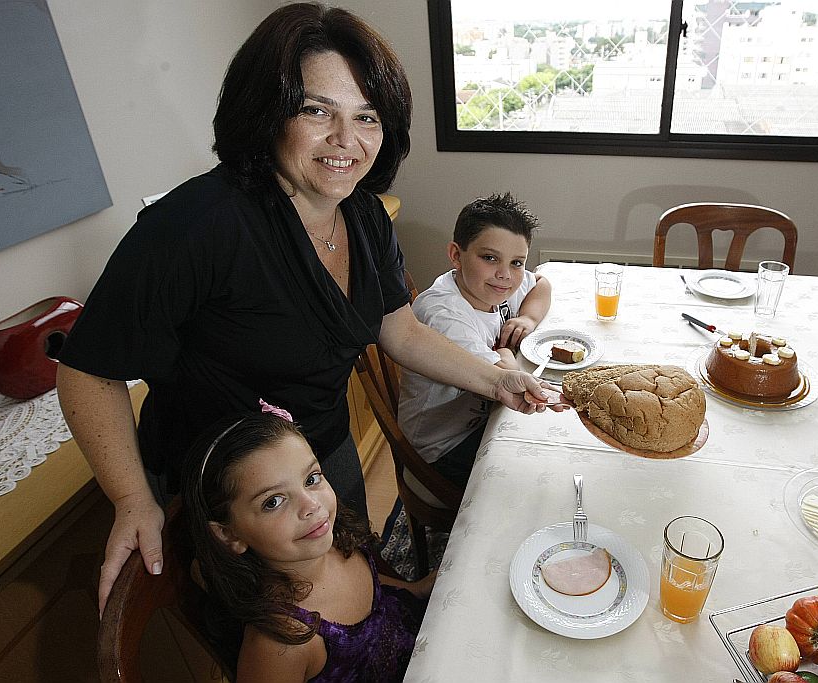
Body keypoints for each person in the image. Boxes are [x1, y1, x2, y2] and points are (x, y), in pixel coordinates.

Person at [55, 2, 562, 616]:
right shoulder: (198, 226)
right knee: (290, 634)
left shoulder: (365, 213)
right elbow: (87, 368)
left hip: (322, 451)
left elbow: (396, 327)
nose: (346, 141)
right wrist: (133, 499)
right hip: (239, 494)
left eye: (367, 117)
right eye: (316, 110)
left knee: (353, 597)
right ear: (267, 112)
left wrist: (499, 378)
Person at [180, 404, 430, 681]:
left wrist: (414, 590)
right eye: (273, 502)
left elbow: (375, 583)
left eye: (311, 479)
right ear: (230, 535)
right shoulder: (282, 644)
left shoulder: (332, 540)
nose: (311, 505)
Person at [398, 193, 551, 488]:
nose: (505, 275)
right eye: (490, 258)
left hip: (485, 420)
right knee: (539, 475)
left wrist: (527, 318)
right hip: (443, 446)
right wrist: (506, 352)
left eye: (517, 262)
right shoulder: (442, 314)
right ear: (456, 254)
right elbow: (505, 375)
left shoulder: (494, 285)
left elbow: (542, 283)